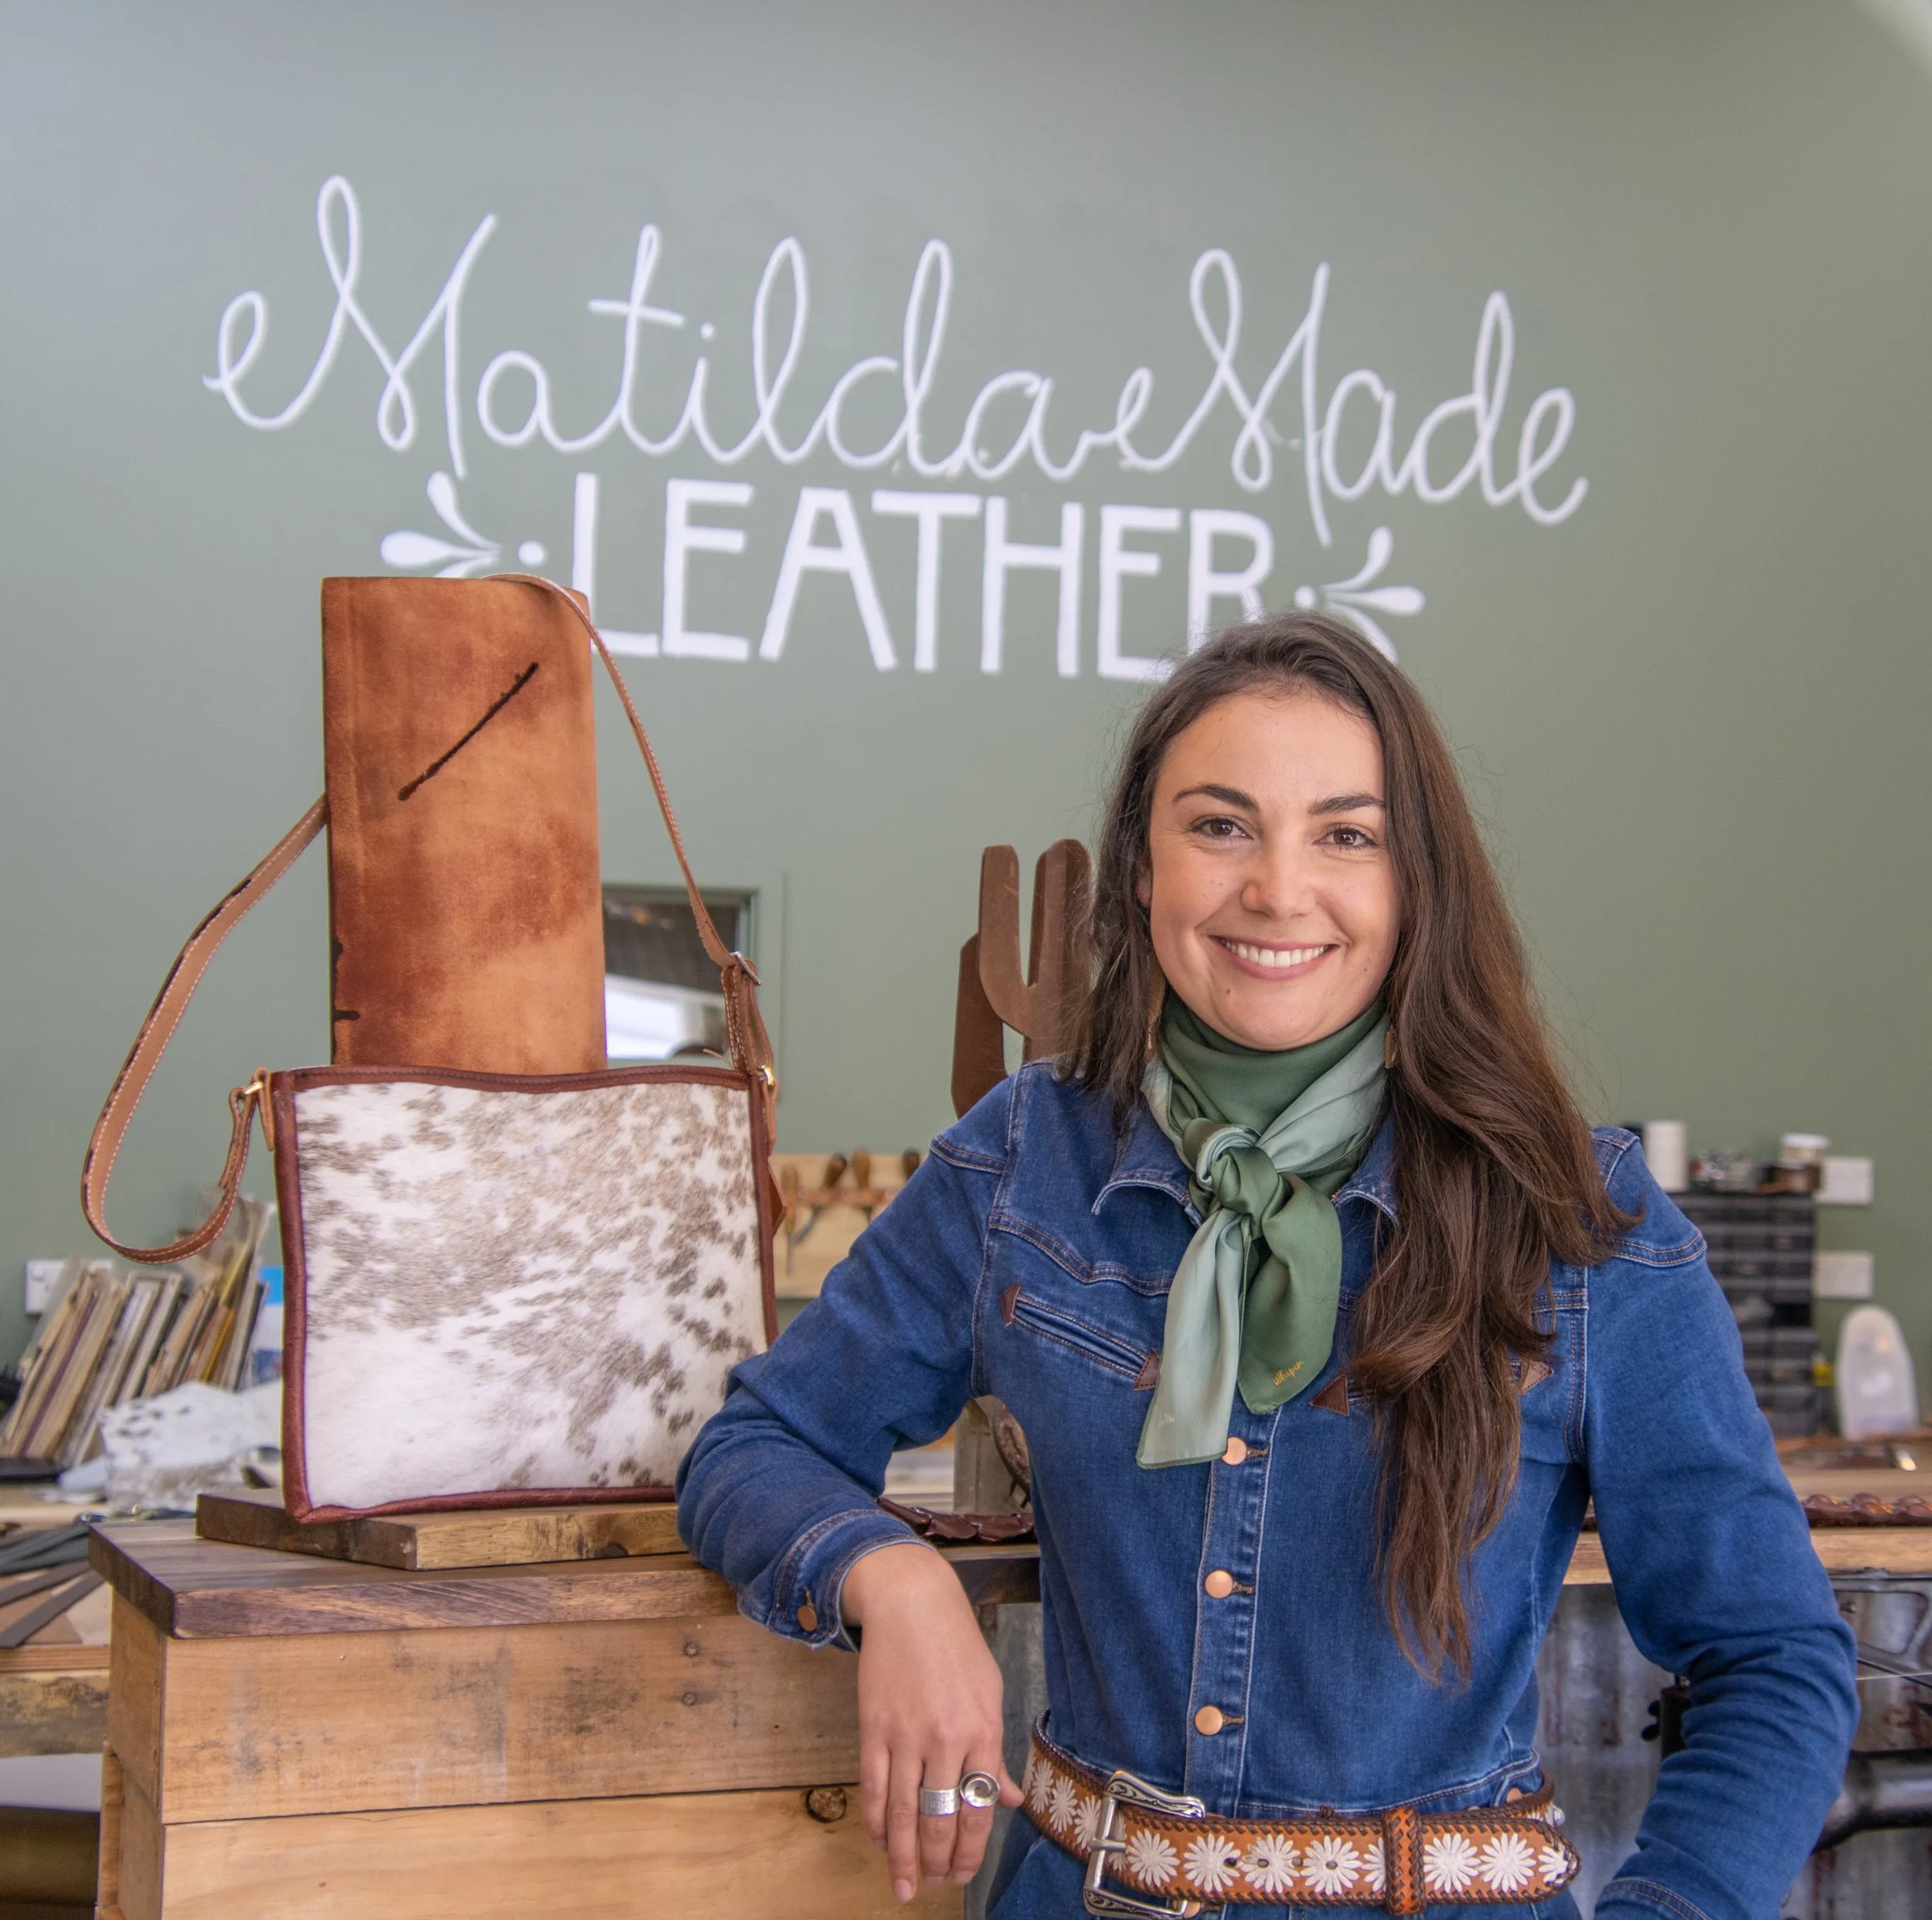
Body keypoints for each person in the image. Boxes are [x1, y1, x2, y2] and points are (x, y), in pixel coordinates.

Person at [678, 615, 1856, 1919]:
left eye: (1346, 835)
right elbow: (760, 1443)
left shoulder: (1582, 1220)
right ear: (1141, 867)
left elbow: (1774, 1659)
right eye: (1221, 825)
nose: (1279, 890)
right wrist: (886, 1576)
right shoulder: (1025, 1156)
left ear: (1417, 883)